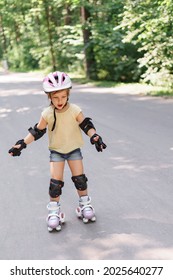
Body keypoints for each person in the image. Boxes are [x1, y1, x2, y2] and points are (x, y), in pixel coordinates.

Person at [8, 71, 107, 232]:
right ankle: (54, 212)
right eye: (55, 97)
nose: (59, 101)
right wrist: (21, 144)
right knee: (55, 184)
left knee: (80, 179)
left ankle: (85, 206)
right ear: (49, 97)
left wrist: (94, 136)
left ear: (68, 94)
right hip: (56, 152)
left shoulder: (74, 109)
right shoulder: (47, 113)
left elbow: (86, 125)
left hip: (74, 150)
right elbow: (37, 131)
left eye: (62, 97)